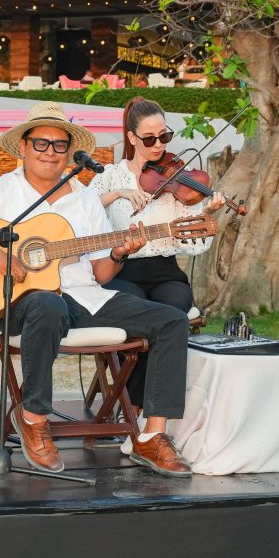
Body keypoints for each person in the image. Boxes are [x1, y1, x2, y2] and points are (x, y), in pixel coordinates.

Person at [0, 102, 192, 477]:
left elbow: (101, 274)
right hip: (23, 300)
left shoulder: (83, 199)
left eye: (59, 145)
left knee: (171, 320)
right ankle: (34, 420)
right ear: (23, 146)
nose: (51, 152)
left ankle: (151, 435)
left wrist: (118, 251)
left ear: (70, 151)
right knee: (47, 304)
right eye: (41, 144)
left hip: (85, 296)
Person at [88, 97, 224, 406]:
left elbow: (196, 244)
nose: (159, 145)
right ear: (132, 137)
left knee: (173, 311)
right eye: (150, 138)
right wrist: (119, 193)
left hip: (165, 273)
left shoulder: (177, 180)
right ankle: (139, 406)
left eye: (165, 136)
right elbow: (79, 211)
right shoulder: (109, 176)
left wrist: (208, 215)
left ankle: (145, 409)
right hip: (121, 272)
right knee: (135, 317)